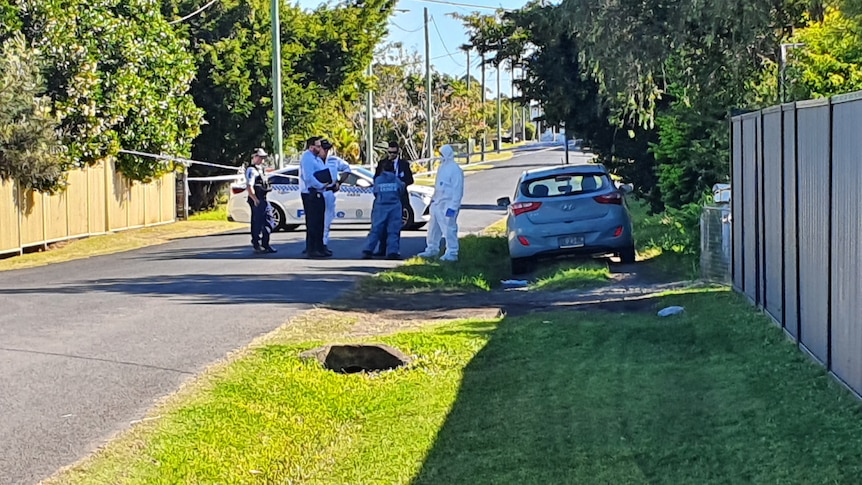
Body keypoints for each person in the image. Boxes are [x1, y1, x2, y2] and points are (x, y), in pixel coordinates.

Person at [418, 144, 464, 261]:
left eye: (442, 154)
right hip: (437, 203)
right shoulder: (442, 167)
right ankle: (432, 248)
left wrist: (453, 207)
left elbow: (458, 190)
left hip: (448, 205)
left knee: (449, 228)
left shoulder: (455, 169)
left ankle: (452, 252)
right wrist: (433, 201)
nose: (440, 157)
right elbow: (438, 185)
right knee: (433, 229)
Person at [373, 141, 414, 256]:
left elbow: (410, 179)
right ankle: (382, 249)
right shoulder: (382, 163)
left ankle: (393, 250)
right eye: (390, 152)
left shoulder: (404, 164)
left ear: (398, 152)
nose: (391, 155)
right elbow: (376, 178)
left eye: (394, 153)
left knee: (395, 226)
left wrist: (400, 184)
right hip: (385, 199)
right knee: (381, 225)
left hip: (399, 198)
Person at [362, 157, 406, 260]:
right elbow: (401, 190)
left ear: (383, 169)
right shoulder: (397, 180)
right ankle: (392, 252)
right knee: (393, 230)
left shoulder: (378, 180)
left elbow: (376, 192)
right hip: (394, 207)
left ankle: (368, 250)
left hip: (380, 207)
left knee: (376, 230)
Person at [299, 136, 332, 258]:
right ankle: (312, 249)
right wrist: (321, 185)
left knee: (319, 222)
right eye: (317, 146)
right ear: (311, 147)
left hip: (319, 192)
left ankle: (320, 247)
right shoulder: (307, 158)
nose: (319, 148)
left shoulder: (316, 158)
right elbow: (308, 177)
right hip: (311, 193)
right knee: (313, 222)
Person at [245, 147, 276, 254]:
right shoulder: (251, 170)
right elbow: (249, 186)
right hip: (257, 199)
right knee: (257, 223)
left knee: (269, 221)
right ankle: (257, 244)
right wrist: (255, 199)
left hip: (263, 198)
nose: (262, 160)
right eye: (260, 157)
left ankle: (265, 243)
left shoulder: (260, 169)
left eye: (263, 157)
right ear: (254, 157)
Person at [322, 150, 352, 252]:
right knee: (315, 221)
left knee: (327, 220)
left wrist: (339, 182)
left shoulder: (333, 160)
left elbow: (347, 169)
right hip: (317, 192)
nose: (325, 152)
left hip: (330, 191)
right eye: (323, 149)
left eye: (327, 149)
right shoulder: (314, 160)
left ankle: (324, 243)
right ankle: (313, 245)